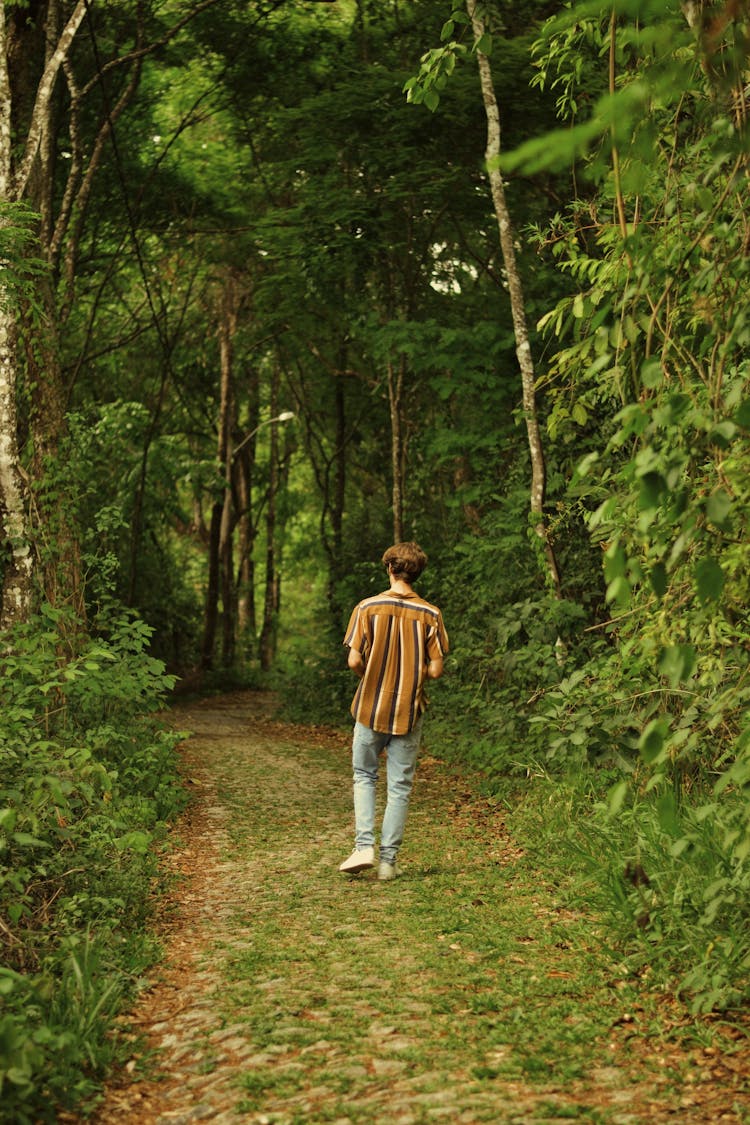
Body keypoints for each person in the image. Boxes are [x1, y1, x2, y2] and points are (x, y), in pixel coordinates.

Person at [339, 541, 449, 881]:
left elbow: (354, 659)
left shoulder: (367, 608)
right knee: (399, 786)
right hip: (408, 710)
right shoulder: (430, 614)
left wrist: (371, 676)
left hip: (370, 707)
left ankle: (363, 848)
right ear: (417, 572)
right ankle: (388, 862)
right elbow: (435, 670)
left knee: (364, 777)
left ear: (389, 568)